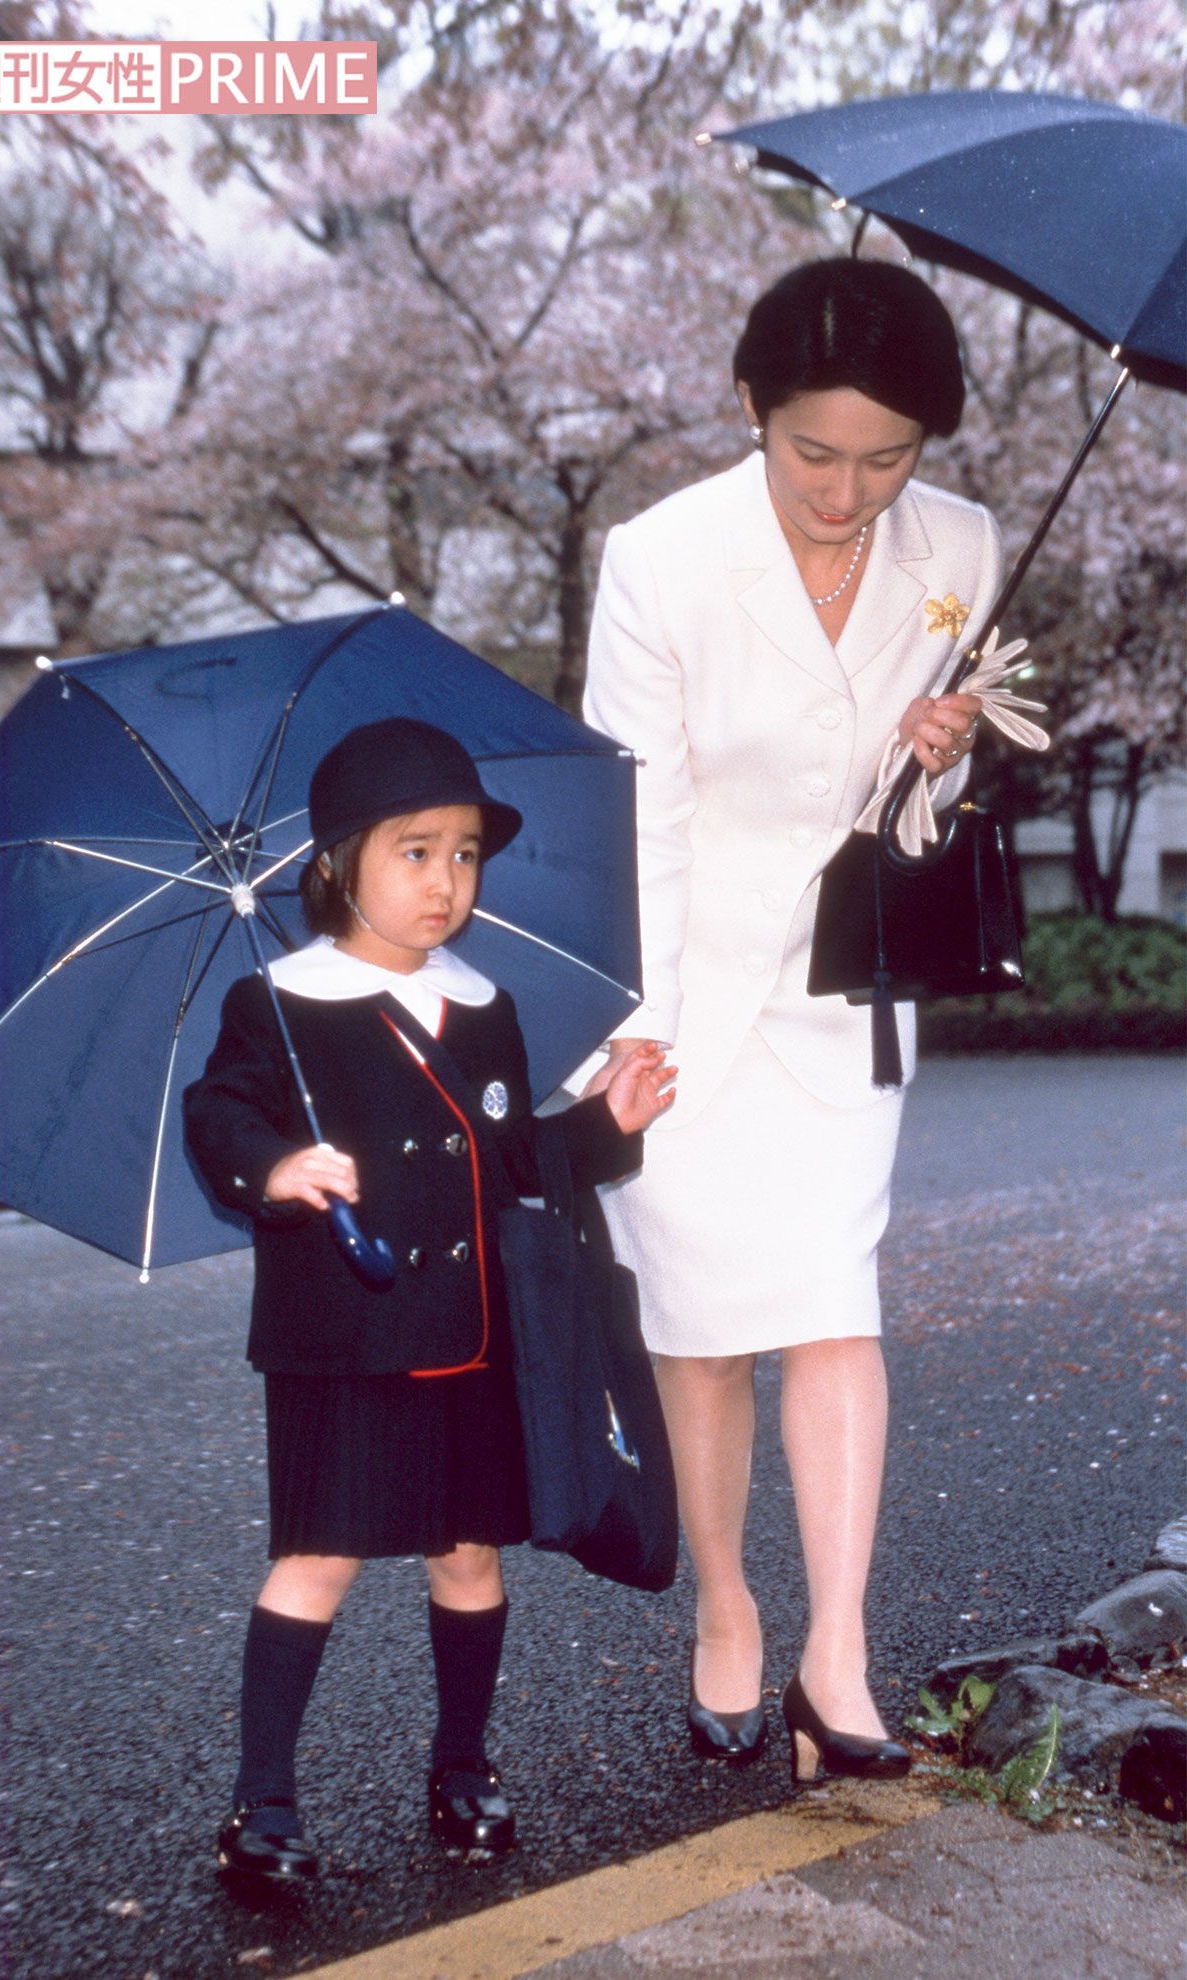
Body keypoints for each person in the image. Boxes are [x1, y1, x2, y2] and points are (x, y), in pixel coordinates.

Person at [580, 258, 1001, 1784]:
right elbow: (642, 816)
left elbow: (914, 824)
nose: (848, 493)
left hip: (837, 990)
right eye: (815, 453)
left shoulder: (962, 546)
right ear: (750, 409)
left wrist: (938, 758)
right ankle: (728, 1606)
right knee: (699, 1329)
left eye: (886, 460)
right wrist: (640, 1030)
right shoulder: (663, 558)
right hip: (683, 986)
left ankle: (840, 1649)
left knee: (833, 1298)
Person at [184, 717, 673, 1882]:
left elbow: (506, 1163)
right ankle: (262, 1806)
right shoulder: (282, 1004)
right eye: (413, 851)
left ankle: (462, 1766)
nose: (444, 880)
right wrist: (277, 1166)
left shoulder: (482, 1004)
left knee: (469, 1553)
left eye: (463, 853)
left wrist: (602, 1129)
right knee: (319, 1553)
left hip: (473, 1339)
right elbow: (218, 1113)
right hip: (344, 1336)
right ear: (334, 863)